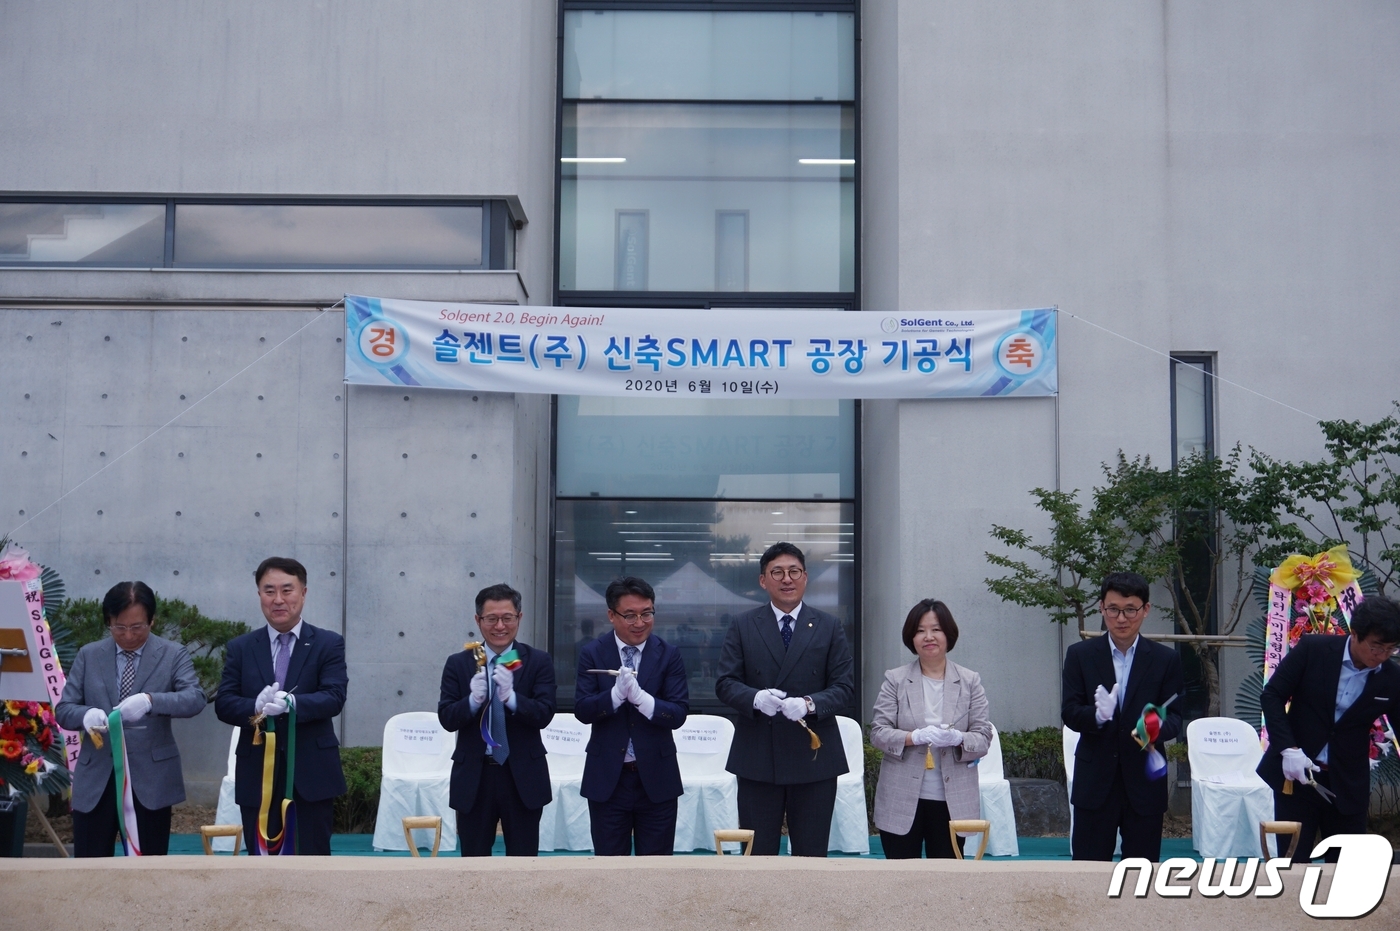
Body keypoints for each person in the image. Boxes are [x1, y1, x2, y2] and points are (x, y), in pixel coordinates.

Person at [715, 542, 854, 857]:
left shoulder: (828, 626)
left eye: (794, 571)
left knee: (811, 855)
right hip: (758, 757)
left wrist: (809, 703)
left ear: (805, 577)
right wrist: (755, 698)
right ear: (763, 580)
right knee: (757, 855)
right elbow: (725, 683)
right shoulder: (744, 625)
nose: (787, 579)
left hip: (814, 757)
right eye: (777, 572)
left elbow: (844, 687)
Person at [55, 582, 205, 857]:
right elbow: (64, 709)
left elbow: (194, 698)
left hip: (150, 779)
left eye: (137, 627)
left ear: (152, 620)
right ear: (108, 622)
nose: (127, 635)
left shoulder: (172, 654)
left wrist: (151, 701)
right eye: (119, 627)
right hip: (97, 776)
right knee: (89, 865)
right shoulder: (90, 654)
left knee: (147, 866)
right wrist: (85, 714)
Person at [215, 557, 348, 855]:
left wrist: (293, 703)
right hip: (257, 774)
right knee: (262, 862)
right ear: (259, 594)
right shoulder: (241, 647)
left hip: (311, 774)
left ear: (303, 593)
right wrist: (255, 705)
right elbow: (224, 703)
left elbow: (334, 696)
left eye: (287, 590)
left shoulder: (327, 643)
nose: (278, 599)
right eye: (269, 591)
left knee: (312, 861)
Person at [1257, 595, 1400, 861]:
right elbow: (1272, 696)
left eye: (1391, 649)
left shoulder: (1392, 678)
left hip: (1348, 782)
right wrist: (1288, 748)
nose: (1381, 656)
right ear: (1355, 634)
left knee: (1346, 868)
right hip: (1298, 777)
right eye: (1376, 647)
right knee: (1293, 864)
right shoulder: (1313, 649)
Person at [1061, 571, 1183, 862]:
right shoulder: (1080, 655)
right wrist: (1097, 716)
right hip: (1095, 781)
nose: (1121, 618)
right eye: (1113, 609)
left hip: (1144, 784)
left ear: (1146, 609)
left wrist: (1154, 727)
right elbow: (1070, 712)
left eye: (1130, 610)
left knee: (1141, 873)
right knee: (1089, 873)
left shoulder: (1165, 659)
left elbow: (1175, 716)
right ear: (1101, 608)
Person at [438, 583, 556, 856]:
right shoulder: (460, 662)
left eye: (507, 618)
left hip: (522, 776)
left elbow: (544, 713)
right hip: (475, 776)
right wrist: (472, 701)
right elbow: (446, 718)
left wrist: (512, 698)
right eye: (491, 619)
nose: (500, 626)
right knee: (474, 861)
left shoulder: (537, 661)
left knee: (524, 860)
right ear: (478, 620)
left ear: (519, 617)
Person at [575, 576, 689, 855]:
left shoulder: (668, 654)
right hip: (608, 779)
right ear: (611, 615)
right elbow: (583, 710)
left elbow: (678, 713)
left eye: (647, 613)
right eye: (630, 615)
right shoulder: (592, 652)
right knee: (610, 867)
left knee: (657, 867)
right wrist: (614, 696)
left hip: (657, 777)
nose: (640, 622)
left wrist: (642, 700)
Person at [869, 599, 992, 858]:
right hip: (901, 799)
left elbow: (983, 737)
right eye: (920, 631)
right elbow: (878, 732)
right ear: (911, 638)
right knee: (901, 875)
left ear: (949, 634)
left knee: (946, 876)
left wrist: (958, 738)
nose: (928, 637)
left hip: (952, 801)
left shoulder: (970, 681)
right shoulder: (895, 679)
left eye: (936, 629)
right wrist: (913, 737)